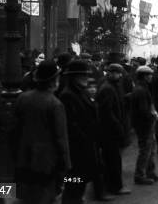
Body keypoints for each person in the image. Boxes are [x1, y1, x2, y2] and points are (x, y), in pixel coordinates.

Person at [13, 59, 70, 204]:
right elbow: (61, 138)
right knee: (46, 197)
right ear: (53, 81)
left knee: (27, 197)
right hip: (46, 162)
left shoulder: (22, 98)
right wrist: (65, 164)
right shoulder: (55, 104)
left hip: (23, 157)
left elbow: (15, 128)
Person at [58, 59, 100, 204]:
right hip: (77, 148)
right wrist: (84, 137)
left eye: (85, 74)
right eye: (81, 75)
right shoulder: (68, 95)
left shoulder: (81, 92)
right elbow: (71, 124)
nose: (85, 77)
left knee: (80, 181)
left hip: (85, 145)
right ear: (73, 77)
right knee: (73, 181)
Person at [96, 63, 131, 196]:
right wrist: (118, 127)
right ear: (110, 73)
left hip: (110, 129)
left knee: (111, 159)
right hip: (110, 131)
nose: (119, 75)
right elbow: (107, 112)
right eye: (116, 73)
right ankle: (115, 187)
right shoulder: (108, 88)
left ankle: (109, 186)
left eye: (119, 73)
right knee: (113, 160)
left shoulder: (113, 86)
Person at [130, 66, 158, 185]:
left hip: (145, 124)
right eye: (149, 75)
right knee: (145, 150)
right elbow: (143, 111)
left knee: (151, 149)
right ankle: (140, 175)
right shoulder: (141, 90)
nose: (151, 77)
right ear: (144, 76)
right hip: (144, 125)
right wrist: (153, 116)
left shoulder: (142, 88)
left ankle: (150, 172)